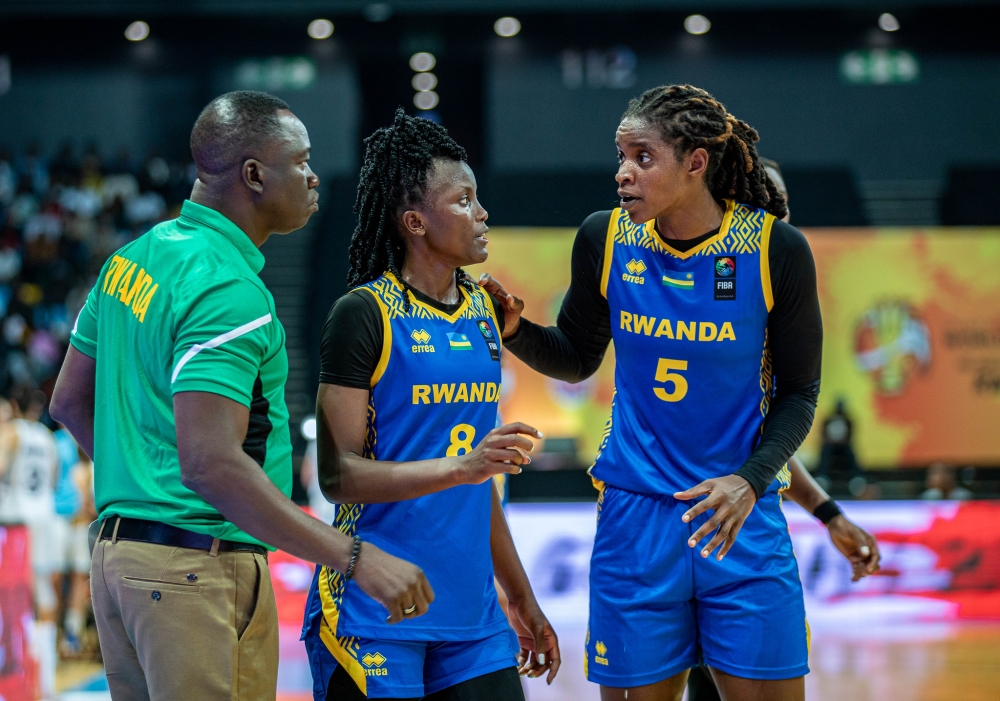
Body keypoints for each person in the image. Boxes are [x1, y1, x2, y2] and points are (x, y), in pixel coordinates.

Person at [50, 91, 432, 701]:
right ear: (254, 174)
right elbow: (210, 463)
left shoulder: (130, 260)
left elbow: (68, 402)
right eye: (301, 161)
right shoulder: (227, 289)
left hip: (119, 563)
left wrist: (148, 487)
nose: (313, 177)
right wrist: (354, 556)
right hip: (197, 569)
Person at [479, 85, 821, 701]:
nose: (622, 173)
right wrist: (515, 332)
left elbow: (800, 392)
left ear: (695, 163)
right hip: (637, 518)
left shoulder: (775, 249)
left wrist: (750, 480)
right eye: (621, 155)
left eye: (642, 157)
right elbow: (577, 359)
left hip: (738, 513)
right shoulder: (603, 237)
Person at [301, 109, 560, 701]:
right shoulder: (363, 314)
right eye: (464, 199)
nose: (482, 212)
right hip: (375, 609)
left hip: (473, 617)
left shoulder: (484, 312)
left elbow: (479, 484)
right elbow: (339, 477)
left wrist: (519, 597)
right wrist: (463, 466)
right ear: (415, 221)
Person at [0, 388, 60, 700]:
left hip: (17, 524)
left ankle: (21, 677)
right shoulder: (48, 439)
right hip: (45, 517)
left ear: (12, 405)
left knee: (16, 600)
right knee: (45, 596)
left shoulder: (11, 433)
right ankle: (45, 679)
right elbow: (53, 478)